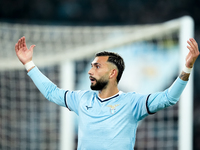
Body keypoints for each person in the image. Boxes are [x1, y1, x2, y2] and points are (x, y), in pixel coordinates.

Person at [15, 36, 199, 150]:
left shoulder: (132, 103)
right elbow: (51, 92)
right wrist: (29, 64)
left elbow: (169, 98)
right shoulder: (81, 99)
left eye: (97, 67)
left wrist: (187, 68)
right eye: (91, 66)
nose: (90, 71)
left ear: (112, 73)